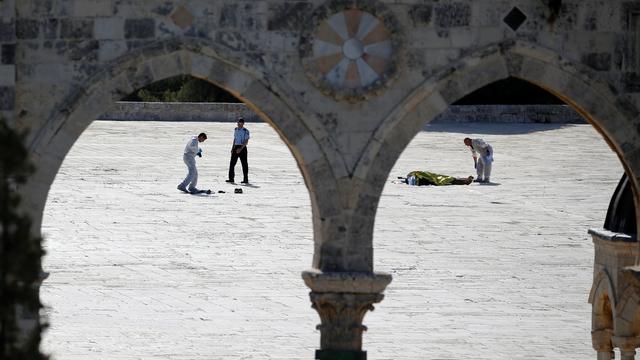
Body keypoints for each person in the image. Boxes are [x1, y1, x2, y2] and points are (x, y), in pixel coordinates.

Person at [226, 117, 250, 184]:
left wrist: (240, 148)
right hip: (235, 147)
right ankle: (231, 179)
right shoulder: (236, 129)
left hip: (242, 148)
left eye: (240, 123)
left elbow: (246, 141)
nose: (239, 124)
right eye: (238, 123)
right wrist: (232, 148)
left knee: (244, 164)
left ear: (243, 124)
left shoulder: (246, 131)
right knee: (232, 164)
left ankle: (245, 179)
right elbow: (235, 139)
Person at [406, 170, 474, 186]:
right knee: (449, 179)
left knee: (449, 179)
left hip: (432, 178)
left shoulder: (413, 176)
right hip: (434, 180)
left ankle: (465, 180)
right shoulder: (414, 176)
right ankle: (465, 181)